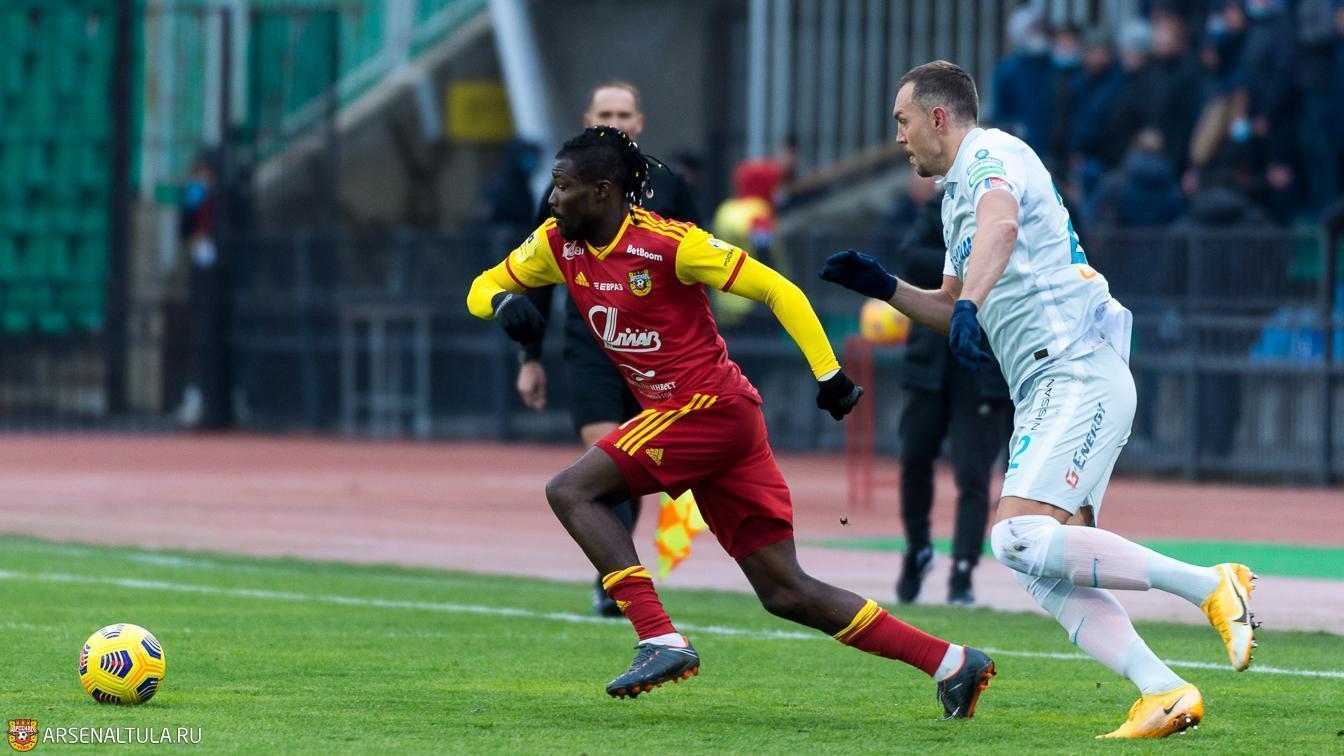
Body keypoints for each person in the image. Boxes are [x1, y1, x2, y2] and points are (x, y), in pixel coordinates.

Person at [469, 126, 996, 716]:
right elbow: (481, 286)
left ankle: (659, 637)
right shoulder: (555, 244)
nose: (551, 198)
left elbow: (777, 289)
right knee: (785, 591)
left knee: (570, 490)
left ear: (602, 192)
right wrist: (503, 302)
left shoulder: (670, 244)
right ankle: (952, 662)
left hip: (707, 409)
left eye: (562, 186)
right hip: (710, 423)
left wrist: (829, 374)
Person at [821, 61, 1257, 739]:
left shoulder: (991, 156)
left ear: (938, 117)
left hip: (1076, 367)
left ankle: (1209, 585)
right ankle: (1163, 691)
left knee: (1017, 537)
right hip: (1047, 385)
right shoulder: (953, 196)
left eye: (902, 122)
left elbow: (1001, 231)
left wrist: (969, 305)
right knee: (1040, 566)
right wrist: (884, 286)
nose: (898, 137)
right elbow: (950, 303)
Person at [515, 82, 702, 616]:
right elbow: (534, 277)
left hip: (656, 352)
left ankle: (616, 573)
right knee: (605, 453)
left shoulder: (668, 184)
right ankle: (620, 581)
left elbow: (700, 264)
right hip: (592, 344)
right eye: (606, 113)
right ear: (588, 119)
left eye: (624, 113)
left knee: (631, 471)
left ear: (640, 122)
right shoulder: (563, 190)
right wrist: (529, 357)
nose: (615, 121)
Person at [890, 186, 1013, 607]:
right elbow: (910, 257)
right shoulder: (943, 204)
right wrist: (969, 261)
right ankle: (918, 549)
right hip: (928, 362)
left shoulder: (1015, 209)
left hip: (982, 366)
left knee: (973, 473)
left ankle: (963, 569)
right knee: (914, 459)